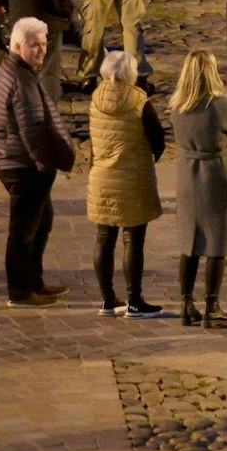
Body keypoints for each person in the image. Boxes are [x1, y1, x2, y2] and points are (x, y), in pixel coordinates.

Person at [0, 17, 74, 307]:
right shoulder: (22, 81)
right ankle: (21, 291)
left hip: (13, 160)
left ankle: (34, 281)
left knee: (42, 222)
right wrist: (43, 164)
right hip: (24, 166)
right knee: (24, 232)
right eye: (34, 45)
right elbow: (32, 130)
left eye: (44, 43)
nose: (41, 50)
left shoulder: (11, 71)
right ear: (16, 46)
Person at [169, 48, 227, 329]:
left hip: (187, 174)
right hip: (214, 173)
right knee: (217, 242)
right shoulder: (217, 104)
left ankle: (186, 302)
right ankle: (211, 305)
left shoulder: (178, 105)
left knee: (189, 242)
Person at [86, 49, 164, 318]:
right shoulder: (139, 101)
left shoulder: (95, 98)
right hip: (132, 177)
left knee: (104, 238)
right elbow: (158, 139)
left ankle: (108, 299)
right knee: (133, 240)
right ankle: (134, 300)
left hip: (102, 177)